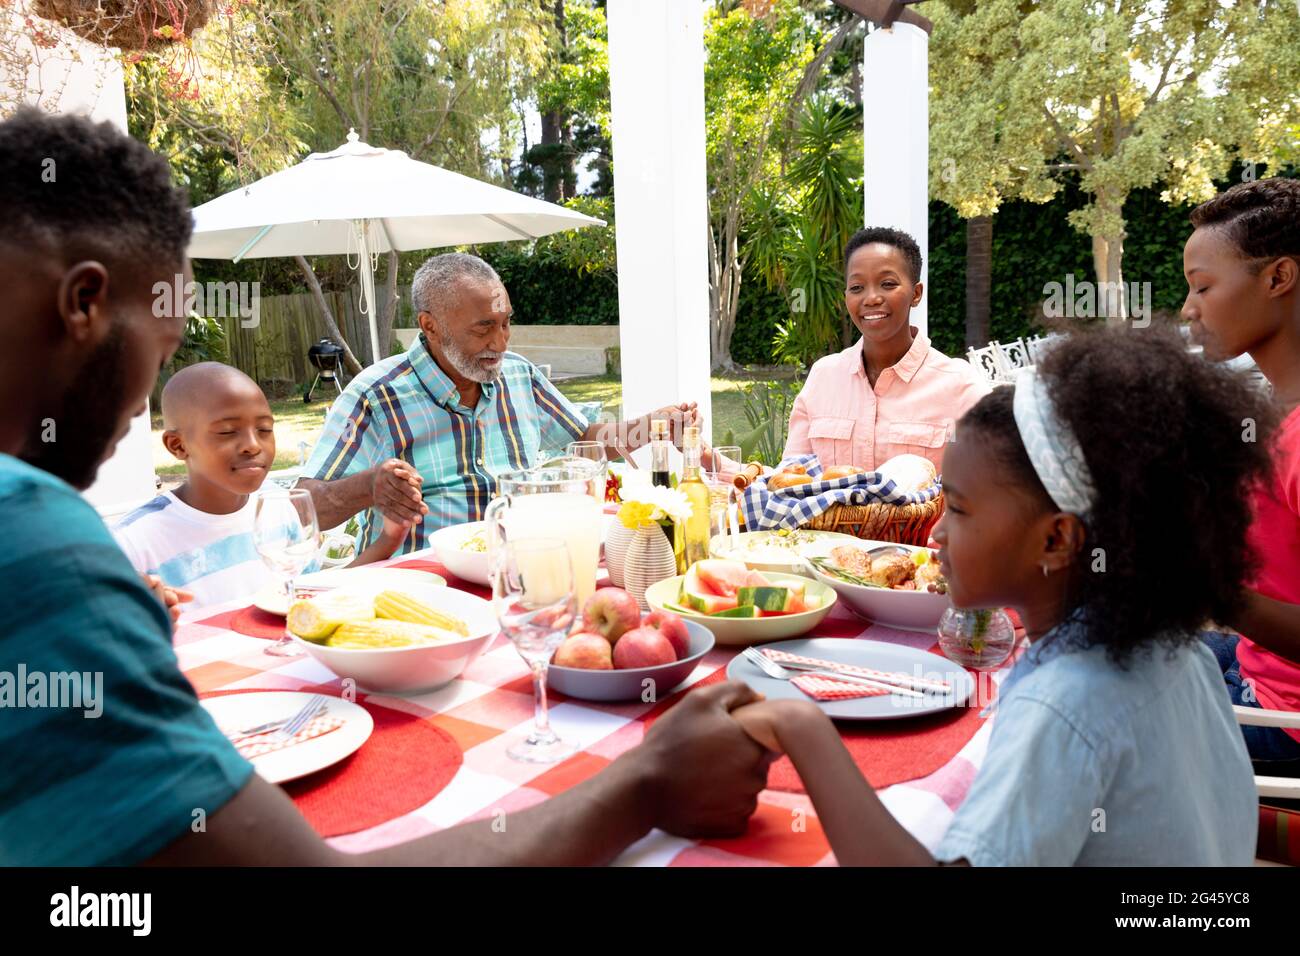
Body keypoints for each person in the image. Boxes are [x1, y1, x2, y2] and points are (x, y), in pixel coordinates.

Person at [0, 108, 773, 865]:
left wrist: (647, 430)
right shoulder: (40, 549)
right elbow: (292, 514)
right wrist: (645, 784)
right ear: (85, 304)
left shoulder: (45, 543)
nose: (139, 401)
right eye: (158, 350)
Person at [732, 328, 1265, 865]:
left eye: (959, 509)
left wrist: (803, 731)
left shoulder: (1060, 705)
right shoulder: (1182, 652)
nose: (937, 532)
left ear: (1056, 539)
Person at [297, 253, 699, 555]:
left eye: (505, 322)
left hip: (522, 571)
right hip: (422, 586)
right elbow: (302, 509)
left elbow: (585, 439)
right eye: (483, 327)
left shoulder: (519, 375)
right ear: (430, 326)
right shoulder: (377, 395)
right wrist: (368, 487)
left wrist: (652, 426)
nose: (500, 341)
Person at [112, 363, 409, 611]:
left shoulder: (276, 508)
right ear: (178, 446)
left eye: (265, 429)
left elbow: (309, 597)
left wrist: (388, 540)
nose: (253, 445)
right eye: (227, 432)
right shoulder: (134, 543)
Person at [1183, 176, 1300, 773]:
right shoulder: (1275, 410)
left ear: (1278, 278)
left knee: (1074, 724)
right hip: (1256, 663)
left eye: (1203, 286)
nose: (1189, 309)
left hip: (1285, 719)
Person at [782, 227, 990, 471]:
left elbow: (992, 483)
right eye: (857, 287)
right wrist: (728, 467)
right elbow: (790, 478)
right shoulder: (823, 377)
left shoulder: (959, 385)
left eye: (887, 284)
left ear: (916, 293)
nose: (871, 298)